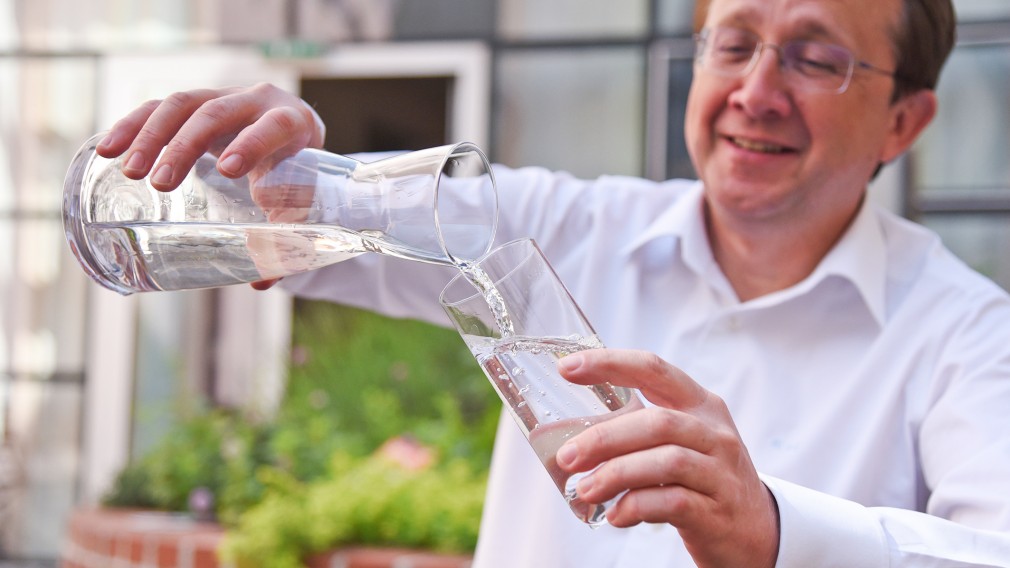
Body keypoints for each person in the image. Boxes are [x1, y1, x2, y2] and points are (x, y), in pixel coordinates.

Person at [95, 0, 1010, 566]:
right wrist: (273, 168)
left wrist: (771, 534)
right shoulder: (568, 229)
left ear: (904, 120)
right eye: (733, 43)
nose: (756, 91)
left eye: (816, 58)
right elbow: (313, 218)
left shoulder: (967, 336)